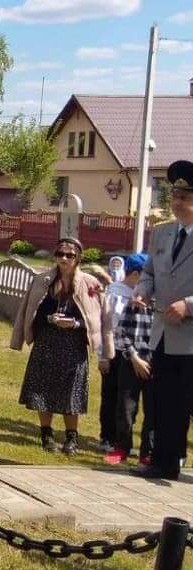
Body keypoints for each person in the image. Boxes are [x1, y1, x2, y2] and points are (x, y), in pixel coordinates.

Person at [10, 238, 103, 453]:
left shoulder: (89, 283)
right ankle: (46, 435)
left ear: (78, 258)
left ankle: (71, 438)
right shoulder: (43, 280)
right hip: (47, 341)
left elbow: (96, 316)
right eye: (60, 254)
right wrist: (50, 320)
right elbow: (29, 311)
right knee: (44, 389)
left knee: (71, 391)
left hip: (73, 343)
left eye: (69, 255)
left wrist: (76, 323)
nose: (64, 259)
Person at [132, 160, 193, 480]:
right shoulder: (161, 232)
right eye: (176, 194)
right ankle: (165, 462)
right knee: (166, 403)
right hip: (164, 334)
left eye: (186, 195)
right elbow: (149, 272)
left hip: (191, 336)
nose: (178, 200)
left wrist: (189, 305)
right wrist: (142, 291)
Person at [104, 254, 155, 465]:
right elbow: (120, 332)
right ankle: (122, 447)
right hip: (131, 359)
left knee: (153, 410)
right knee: (125, 407)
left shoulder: (161, 306)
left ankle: (148, 452)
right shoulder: (133, 304)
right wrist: (134, 357)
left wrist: (151, 360)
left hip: (155, 362)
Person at [98, 263, 133, 453]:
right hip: (113, 350)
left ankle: (121, 438)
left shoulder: (140, 294)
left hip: (130, 352)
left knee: (125, 397)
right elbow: (106, 324)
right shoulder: (115, 293)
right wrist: (102, 356)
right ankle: (107, 437)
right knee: (110, 395)